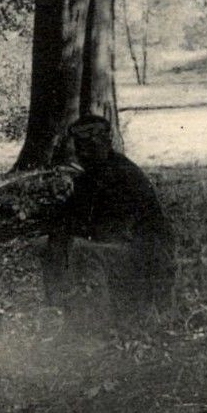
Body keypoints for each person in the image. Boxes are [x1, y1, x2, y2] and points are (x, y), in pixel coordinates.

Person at [42, 114, 177, 322]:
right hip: (122, 247)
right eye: (80, 147)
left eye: (91, 146)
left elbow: (113, 231)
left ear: (107, 143)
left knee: (81, 250)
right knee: (52, 244)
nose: (84, 153)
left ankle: (97, 327)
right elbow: (69, 219)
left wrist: (72, 231)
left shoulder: (123, 174)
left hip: (145, 254)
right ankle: (59, 314)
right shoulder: (92, 174)